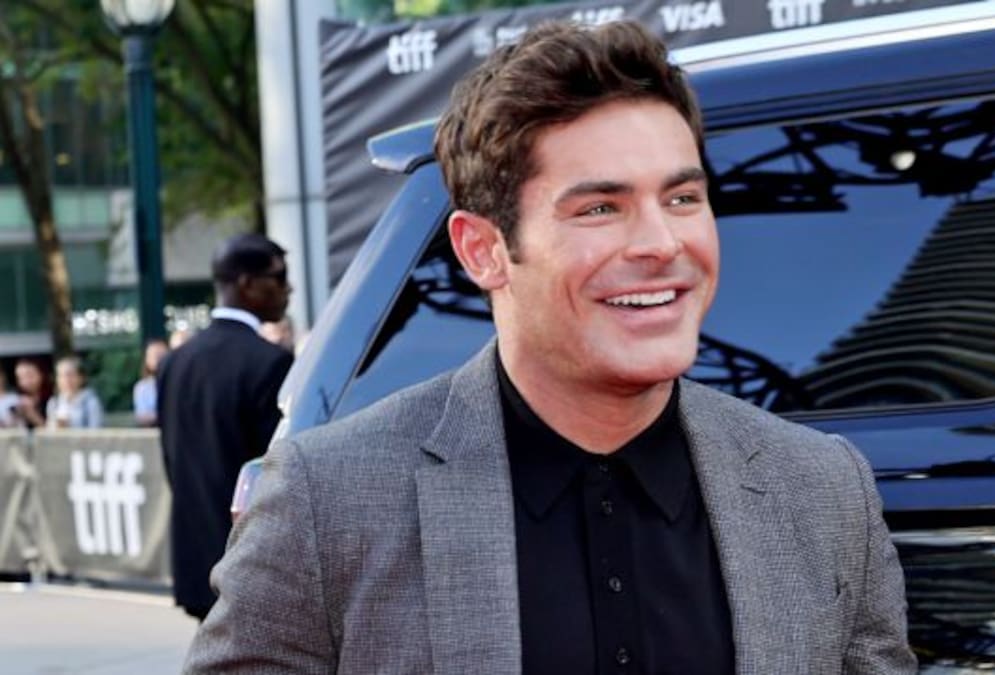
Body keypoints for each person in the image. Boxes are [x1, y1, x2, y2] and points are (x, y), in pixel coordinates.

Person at [184, 21, 915, 673]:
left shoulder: (822, 490)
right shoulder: (327, 500)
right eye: (600, 208)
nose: (662, 243)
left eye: (682, 198)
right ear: (483, 250)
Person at [158, 233, 293, 621]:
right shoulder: (268, 362)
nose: (288, 289)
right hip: (251, 561)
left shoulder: (175, 362)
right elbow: (275, 473)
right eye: (279, 277)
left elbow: (172, 460)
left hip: (195, 559)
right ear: (247, 283)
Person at [45, 356, 104, 429]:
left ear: (81, 378)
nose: (67, 380)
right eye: (61, 376)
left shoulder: (90, 402)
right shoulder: (54, 402)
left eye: (70, 375)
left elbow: (96, 431)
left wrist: (70, 425)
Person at [132, 339, 169, 427]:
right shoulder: (142, 387)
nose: (157, 359)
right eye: (153, 356)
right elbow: (141, 417)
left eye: (160, 355)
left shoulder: (178, 383)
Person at [12, 358, 50, 429]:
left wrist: (32, 414)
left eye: (30, 376)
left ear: (41, 374)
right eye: (21, 378)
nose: (26, 381)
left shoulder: (51, 399)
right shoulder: (14, 399)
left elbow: (52, 431)